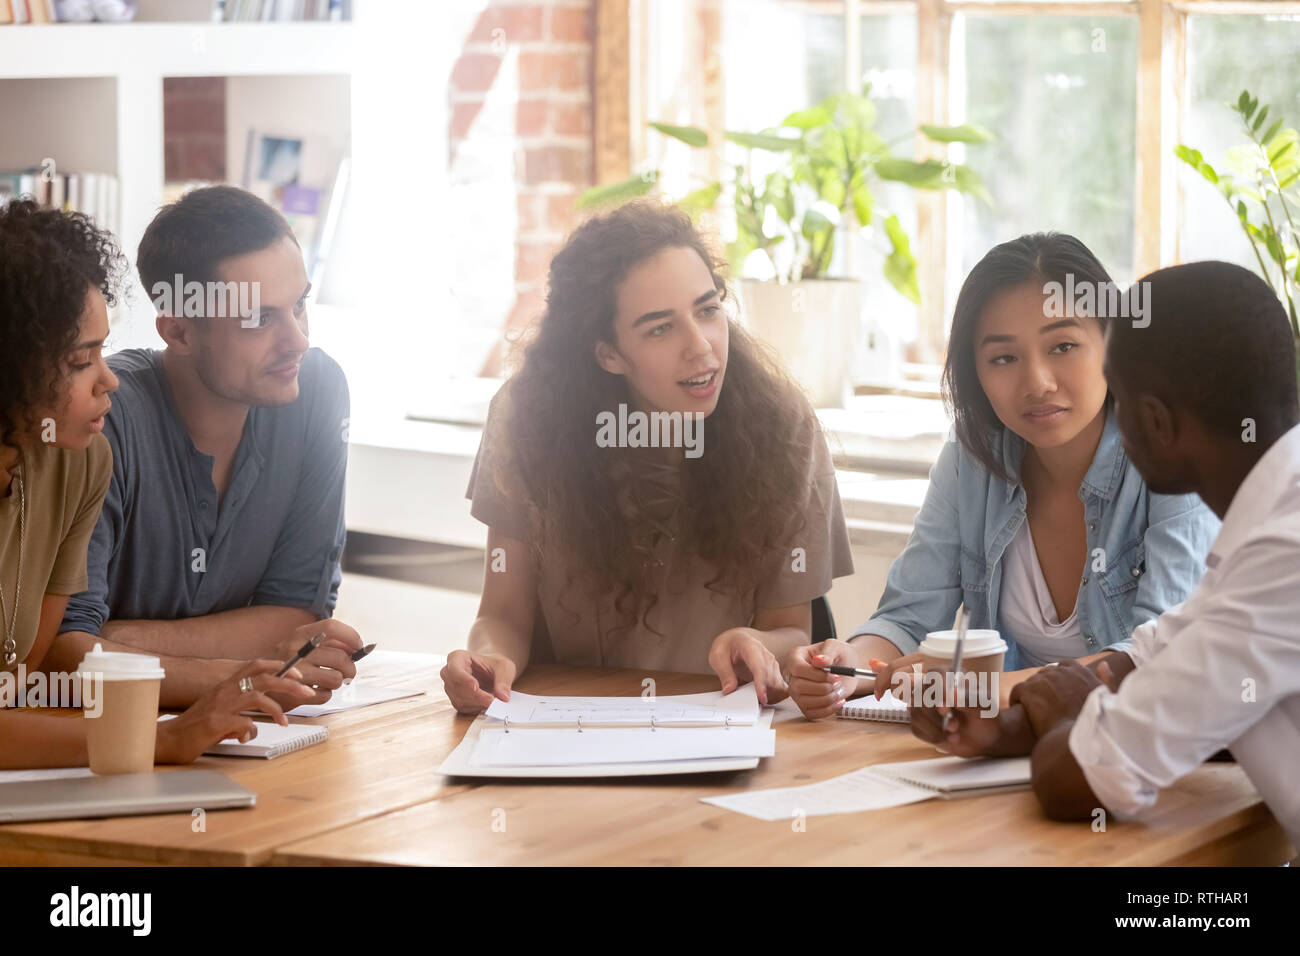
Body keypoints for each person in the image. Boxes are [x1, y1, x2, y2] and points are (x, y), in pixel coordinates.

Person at [934, 261, 1299, 847]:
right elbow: (1163, 650)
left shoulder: (1284, 556)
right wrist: (1010, 725)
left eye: (1120, 402)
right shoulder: (1272, 531)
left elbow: (1075, 779)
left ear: (1154, 421)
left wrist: (1072, 715)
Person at [440, 201, 854, 713]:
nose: (702, 347)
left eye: (708, 310)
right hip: (576, 726)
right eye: (661, 328)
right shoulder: (526, 419)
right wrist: (488, 659)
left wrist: (758, 643)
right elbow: (502, 615)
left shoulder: (783, 427)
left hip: (723, 723)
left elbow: (792, 629)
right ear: (608, 353)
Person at [786, 233, 1220, 720]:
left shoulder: (1172, 463)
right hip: (1001, 752)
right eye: (1004, 358)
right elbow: (906, 617)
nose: (1037, 382)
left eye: (1063, 345)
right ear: (976, 373)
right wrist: (848, 665)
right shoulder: (970, 462)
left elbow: (1161, 658)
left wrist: (990, 688)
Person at [0, 199, 315, 767]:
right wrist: (165, 738)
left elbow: (23, 686)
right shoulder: (104, 441)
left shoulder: (78, 463)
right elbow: (48, 671)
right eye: (81, 359)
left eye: (102, 350)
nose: (108, 379)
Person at [48, 185, 361, 708]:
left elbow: (300, 617)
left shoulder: (317, 389)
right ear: (180, 331)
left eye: (299, 306)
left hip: (249, 737)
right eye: (260, 319)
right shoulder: (103, 418)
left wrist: (117, 640)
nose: (297, 340)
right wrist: (240, 676)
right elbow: (63, 655)